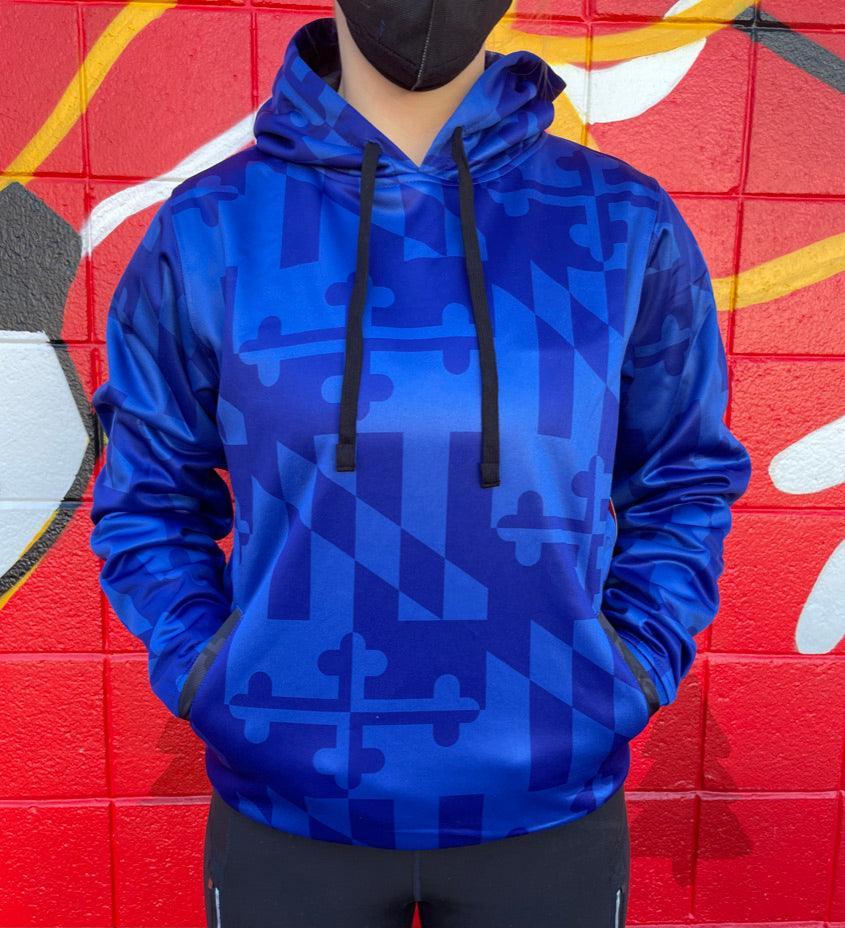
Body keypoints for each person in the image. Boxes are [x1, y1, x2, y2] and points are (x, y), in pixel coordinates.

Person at [88, 1, 753, 925]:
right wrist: (212, 676)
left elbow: (684, 476)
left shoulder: (620, 221)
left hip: (549, 812)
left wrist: (629, 668)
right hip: (284, 814)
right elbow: (148, 496)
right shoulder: (211, 229)